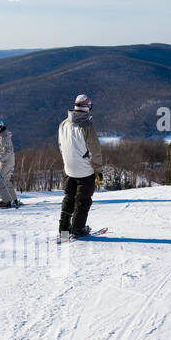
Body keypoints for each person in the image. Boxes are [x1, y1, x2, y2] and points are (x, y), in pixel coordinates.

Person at [57, 94, 102, 238]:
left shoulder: (63, 124)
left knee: (69, 198)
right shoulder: (87, 126)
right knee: (83, 201)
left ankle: (63, 230)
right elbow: (95, 150)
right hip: (85, 171)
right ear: (88, 107)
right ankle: (77, 229)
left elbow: (61, 146)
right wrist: (98, 171)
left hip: (69, 169)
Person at [0, 118, 20, 208]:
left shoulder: (3, 137)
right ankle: (13, 199)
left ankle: (6, 201)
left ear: (1, 127)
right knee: (5, 180)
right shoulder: (0, 136)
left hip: (6, 161)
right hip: (6, 160)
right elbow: (3, 151)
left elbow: (8, 151)